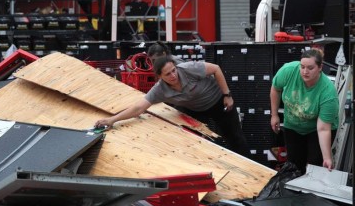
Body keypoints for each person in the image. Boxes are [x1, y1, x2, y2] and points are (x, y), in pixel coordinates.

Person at [95, 56, 250, 157]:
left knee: (235, 138)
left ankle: (252, 174)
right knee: (198, 143)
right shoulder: (159, 89)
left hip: (218, 102)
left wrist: (227, 95)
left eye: (173, 70)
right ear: (160, 77)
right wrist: (112, 119)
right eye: (168, 74)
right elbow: (138, 108)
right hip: (195, 110)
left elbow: (215, 68)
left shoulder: (188, 68)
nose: (173, 75)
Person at [270, 48, 339, 174]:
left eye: (310, 68)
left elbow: (323, 128)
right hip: (293, 125)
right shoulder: (288, 70)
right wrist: (274, 115)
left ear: (320, 67)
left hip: (316, 129)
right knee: (294, 166)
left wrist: (327, 158)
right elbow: (276, 88)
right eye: (302, 67)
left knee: (315, 164)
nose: (305, 72)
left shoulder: (328, 92)